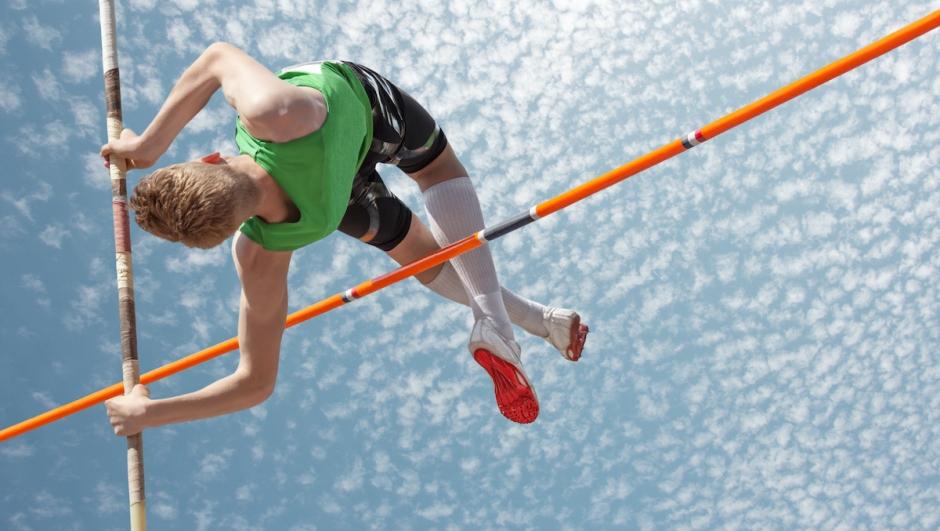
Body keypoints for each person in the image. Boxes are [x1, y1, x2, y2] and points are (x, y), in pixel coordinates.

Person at [101, 43, 588, 430]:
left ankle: (541, 322)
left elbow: (253, 383)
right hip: (366, 116)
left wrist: (150, 411)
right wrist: (144, 147)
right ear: (210, 159)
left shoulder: (260, 251)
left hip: (338, 202)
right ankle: (495, 322)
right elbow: (214, 57)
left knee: (424, 260)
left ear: (224, 229)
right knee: (438, 172)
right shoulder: (272, 112)